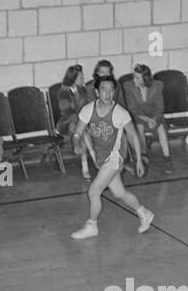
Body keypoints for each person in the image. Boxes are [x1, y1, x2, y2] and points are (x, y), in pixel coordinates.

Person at [69, 76, 153, 240]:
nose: (107, 94)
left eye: (111, 90)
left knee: (94, 191)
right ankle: (144, 213)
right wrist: (76, 141)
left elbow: (134, 136)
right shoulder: (88, 109)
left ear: (114, 92)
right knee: (119, 192)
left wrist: (138, 159)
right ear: (96, 92)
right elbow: (78, 131)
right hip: (101, 158)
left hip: (115, 158)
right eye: (103, 90)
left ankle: (92, 225)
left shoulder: (120, 113)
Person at [121, 64, 171, 172]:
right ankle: (143, 155)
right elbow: (132, 108)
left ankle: (167, 159)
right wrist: (147, 120)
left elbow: (160, 106)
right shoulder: (128, 86)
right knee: (139, 126)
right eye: (134, 76)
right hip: (138, 116)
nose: (134, 79)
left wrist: (154, 119)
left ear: (145, 79)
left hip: (154, 115)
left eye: (137, 77)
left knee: (161, 128)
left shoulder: (157, 85)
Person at [56, 64, 88, 138]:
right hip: (67, 122)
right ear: (73, 79)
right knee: (77, 128)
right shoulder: (63, 92)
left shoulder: (83, 90)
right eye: (80, 77)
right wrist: (81, 121)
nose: (83, 79)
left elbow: (86, 106)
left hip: (82, 120)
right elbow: (67, 111)